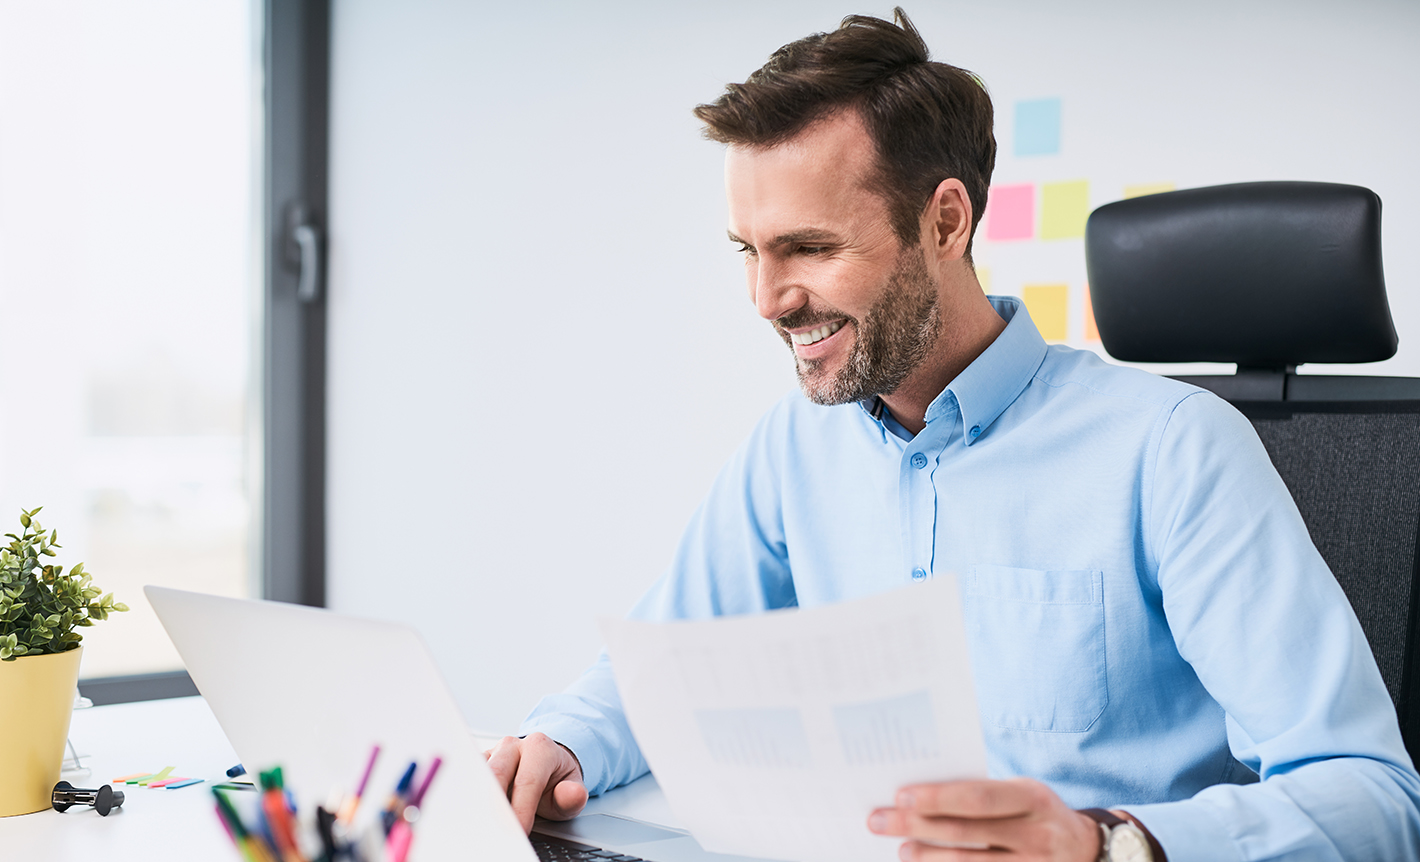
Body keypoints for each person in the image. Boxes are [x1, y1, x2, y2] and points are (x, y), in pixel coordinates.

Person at [485, 10, 1420, 861]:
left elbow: (1369, 800)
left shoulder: (1173, 450)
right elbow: (660, 671)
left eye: (808, 248)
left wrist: (1104, 845)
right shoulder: (796, 449)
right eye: (749, 251)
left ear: (944, 220)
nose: (768, 300)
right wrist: (561, 743)